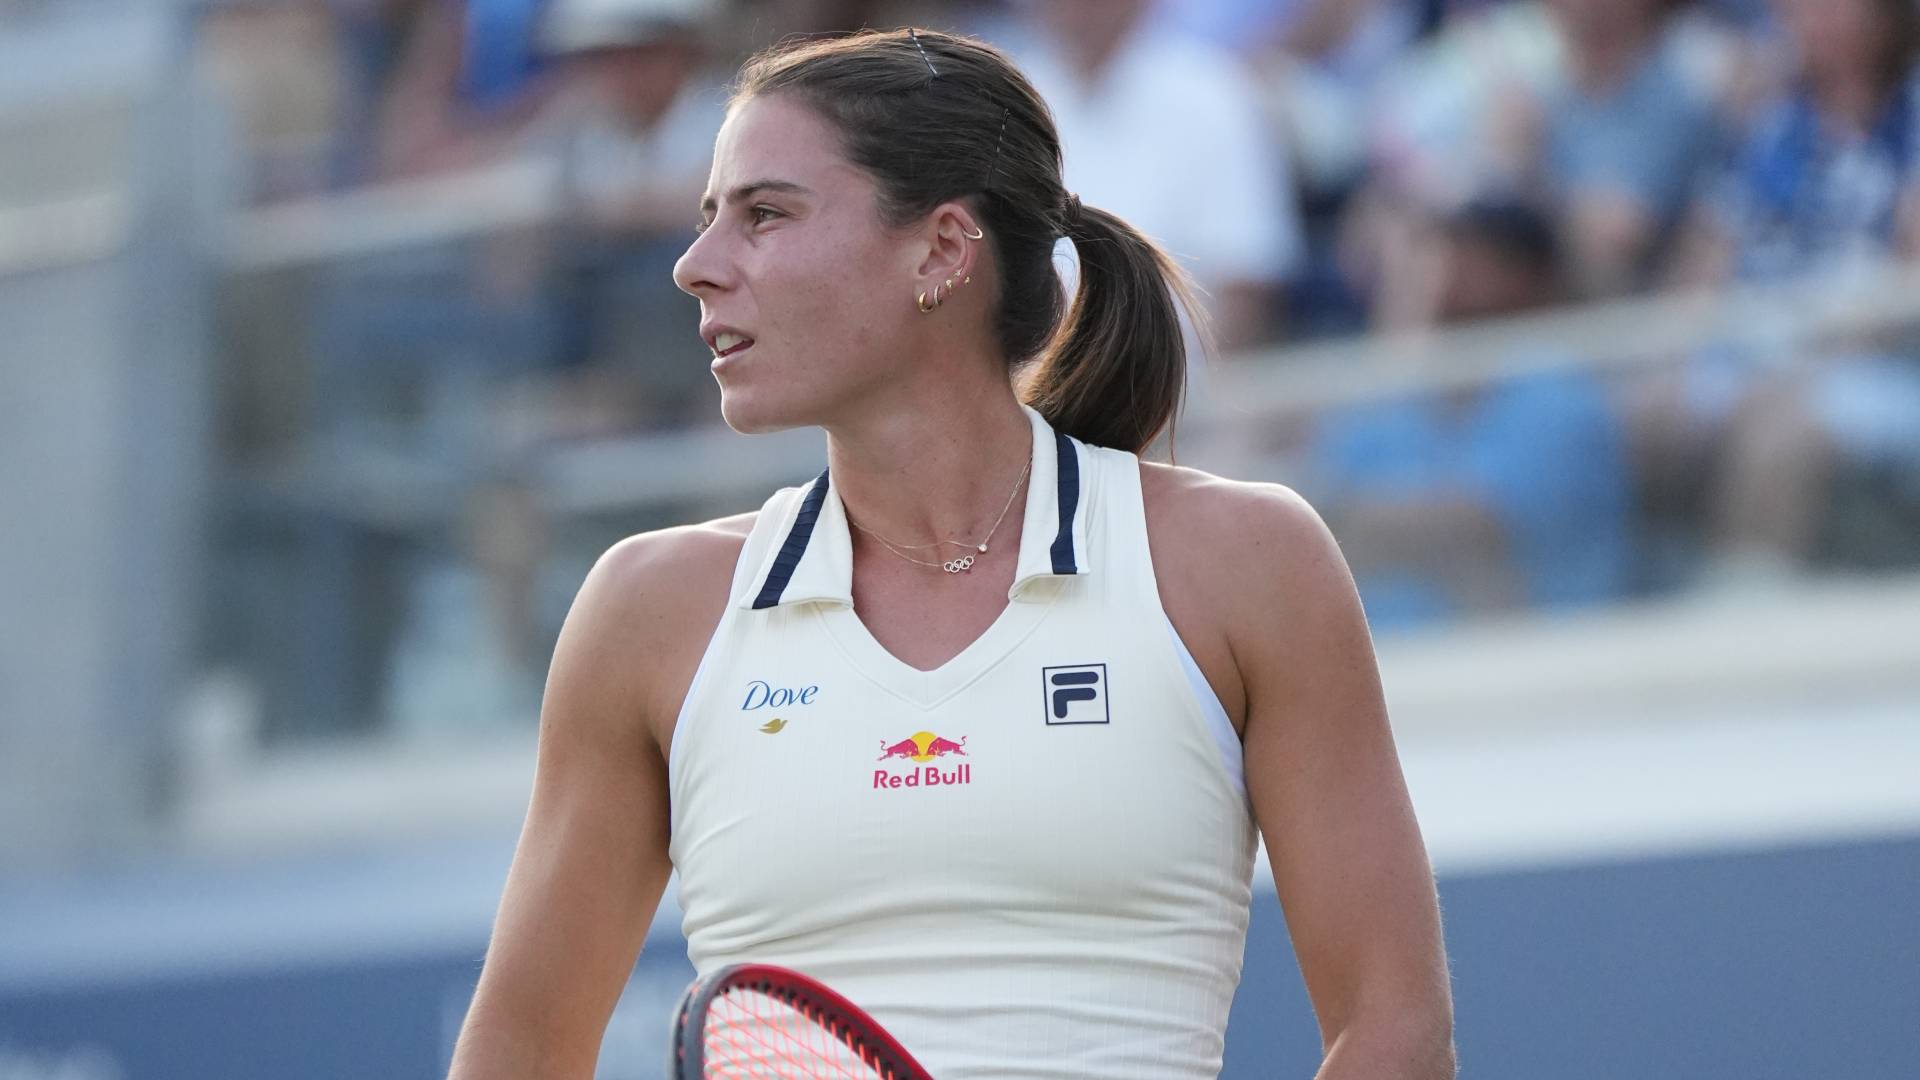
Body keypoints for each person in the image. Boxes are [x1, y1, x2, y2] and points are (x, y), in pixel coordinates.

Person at [447, 28, 1454, 1080]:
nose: (697, 268)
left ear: (940, 250)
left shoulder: (1250, 562)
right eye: (708, 220)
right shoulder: (644, 612)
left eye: (766, 214)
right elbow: (517, 1050)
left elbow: (1394, 1028)